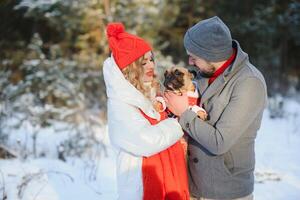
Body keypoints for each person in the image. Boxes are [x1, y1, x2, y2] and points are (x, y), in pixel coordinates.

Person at [164, 16, 268, 200]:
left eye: (194, 57)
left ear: (212, 55)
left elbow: (220, 142)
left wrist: (184, 113)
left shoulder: (248, 83)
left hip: (225, 192)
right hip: (192, 185)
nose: (190, 62)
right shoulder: (204, 74)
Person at [103, 22, 189, 200]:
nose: (151, 65)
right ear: (130, 68)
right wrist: (180, 122)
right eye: (143, 62)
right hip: (142, 189)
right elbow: (146, 141)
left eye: (151, 59)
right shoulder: (120, 105)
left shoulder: (150, 95)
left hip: (169, 181)